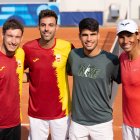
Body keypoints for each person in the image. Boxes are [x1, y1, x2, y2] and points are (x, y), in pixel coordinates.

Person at [23, 9, 73, 140]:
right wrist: (31, 76)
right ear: (38, 26)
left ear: (57, 27)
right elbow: (17, 71)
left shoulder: (67, 47)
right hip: (36, 114)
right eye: (43, 25)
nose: (46, 29)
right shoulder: (28, 48)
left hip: (61, 112)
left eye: (51, 25)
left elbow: (74, 70)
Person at [67, 18, 121, 140]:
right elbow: (68, 71)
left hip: (102, 123)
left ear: (98, 35)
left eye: (93, 34)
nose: (89, 39)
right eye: (85, 35)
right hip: (77, 123)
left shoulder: (111, 60)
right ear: (79, 36)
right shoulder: (73, 55)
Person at [0, 19, 24, 140]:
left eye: (17, 37)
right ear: (2, 34)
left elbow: (16, 75)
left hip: (15, 123)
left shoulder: (20, 55)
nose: (13, 41)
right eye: (10, 36)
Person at [117, 19, 140, 140]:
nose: (126, 41)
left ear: (138, 35)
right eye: (121, 37)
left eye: (129, 36)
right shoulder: (122, 58)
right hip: (127, 125)